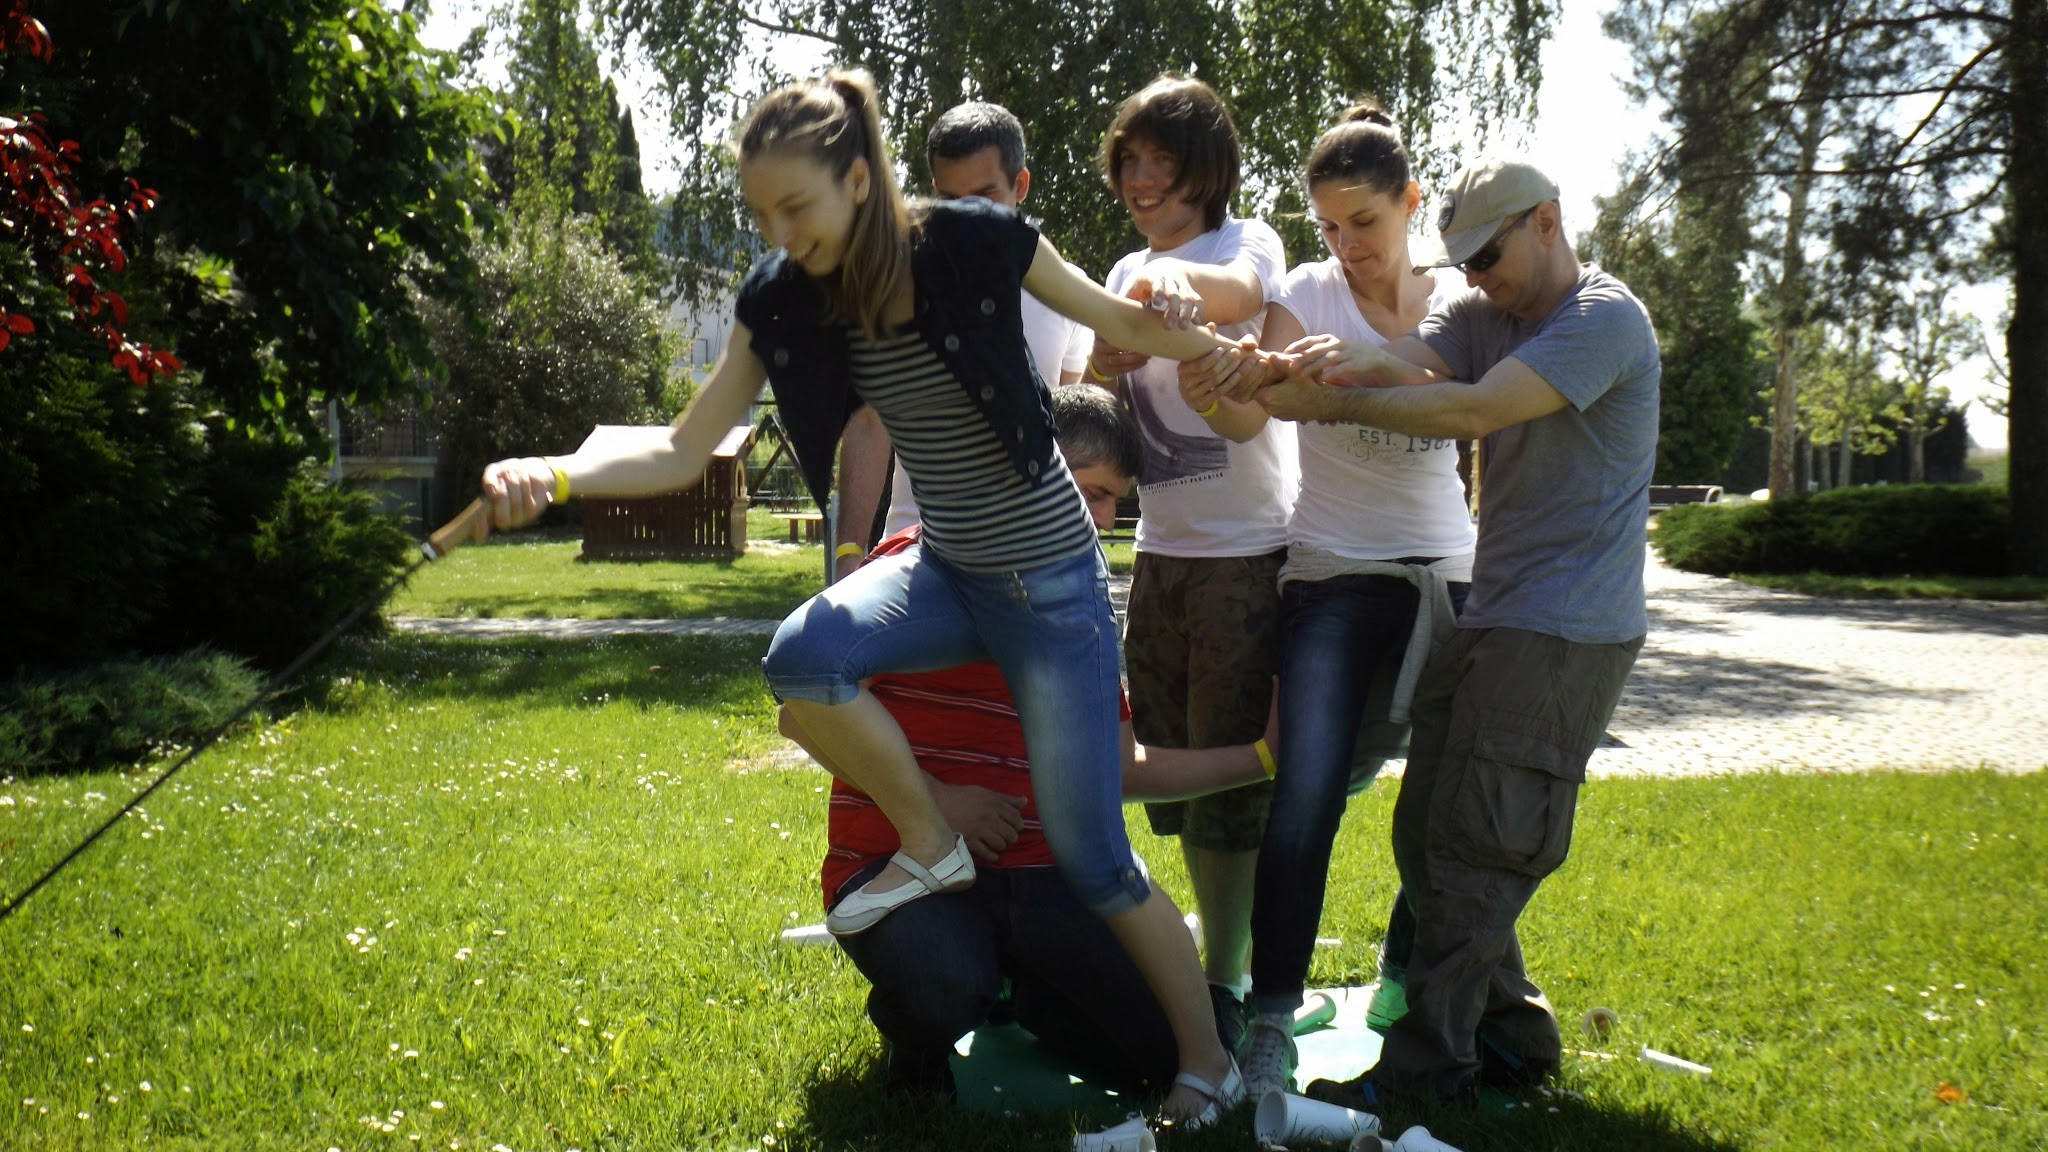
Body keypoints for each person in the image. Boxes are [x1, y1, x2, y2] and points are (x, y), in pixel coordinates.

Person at [479, 71, 1262, 1124]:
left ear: (858, 180)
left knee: (1094, 860)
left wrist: (1210, 342)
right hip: (945, 567)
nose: (778, 235)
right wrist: (555, 473)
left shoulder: (976, 241)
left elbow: (1118, 317)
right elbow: (682, 445)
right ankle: (928, 842)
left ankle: (1208, 1065)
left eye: (794, 207)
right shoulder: (785, 295)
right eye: (761, 214)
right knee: (803, 656)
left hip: (1049, 585)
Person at [1249, 157, 1659, 1104]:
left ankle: (1427, 1073)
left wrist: (1330, 400)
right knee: (1431, 827)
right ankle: (1513, 1036)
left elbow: (1471, 409)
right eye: (1463, 260)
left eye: (1489, 254)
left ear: (1548, 221)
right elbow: (1409, 364)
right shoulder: (1484, 313)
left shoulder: (1604, 317)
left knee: (1476, 848)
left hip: (1567, 627)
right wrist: (1303, 363)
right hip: (1495, 608)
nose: (1474, 275)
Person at [786, 384, 1274, 1102]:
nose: (1102, 519)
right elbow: (800, 715)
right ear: (1034, 475)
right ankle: (919, 1045)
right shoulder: (908, 571)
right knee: (944, 985)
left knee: (1158, 1053)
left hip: (1043, 875)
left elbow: (1121, 768)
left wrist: (1261, 758)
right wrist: (936, 804)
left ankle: (1036, 995)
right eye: (1092, 492)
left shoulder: (1081, 610)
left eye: (1115, 502)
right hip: (905, 866)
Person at [1177, 102, 1476, 1102]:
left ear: (1411, 202)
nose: (1345, 246)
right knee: (1303, 792)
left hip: (1448, 572)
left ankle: (1404, 977)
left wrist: (1373, 371)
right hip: (1333, 573)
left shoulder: (1458, 302)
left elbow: (1476, 397)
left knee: (1450, 800)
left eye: (1364, 223)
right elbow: (1247, 410)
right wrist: (1215, 383)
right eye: (1329, 226)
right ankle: (1270, 1021)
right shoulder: (1304, 291)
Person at [1088, 73, 1292, 1056]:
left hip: (1247, 558)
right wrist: (1107, 358)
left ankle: (1227, 983)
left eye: (1160, 160)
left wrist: (1164, 295)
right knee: (1171, 769)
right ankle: (1208, 963)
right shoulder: (1128, 265)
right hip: (1160, 557)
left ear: (1204, 168)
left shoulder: (1244, 242)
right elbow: (1099, 402)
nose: (1140, 179)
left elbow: (1241, 294)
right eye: (1128, 160)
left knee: (1231, 793)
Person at [837, 101, 1094, 558]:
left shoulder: (1067, 292)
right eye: (952, 202)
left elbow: (1067, 429)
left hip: (1032, 554)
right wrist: (848, 553)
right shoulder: (896, 290)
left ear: (1021, 185)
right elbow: (870, 422)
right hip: (915, 547)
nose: (967, 218)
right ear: (934, 192)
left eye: (983, 197)